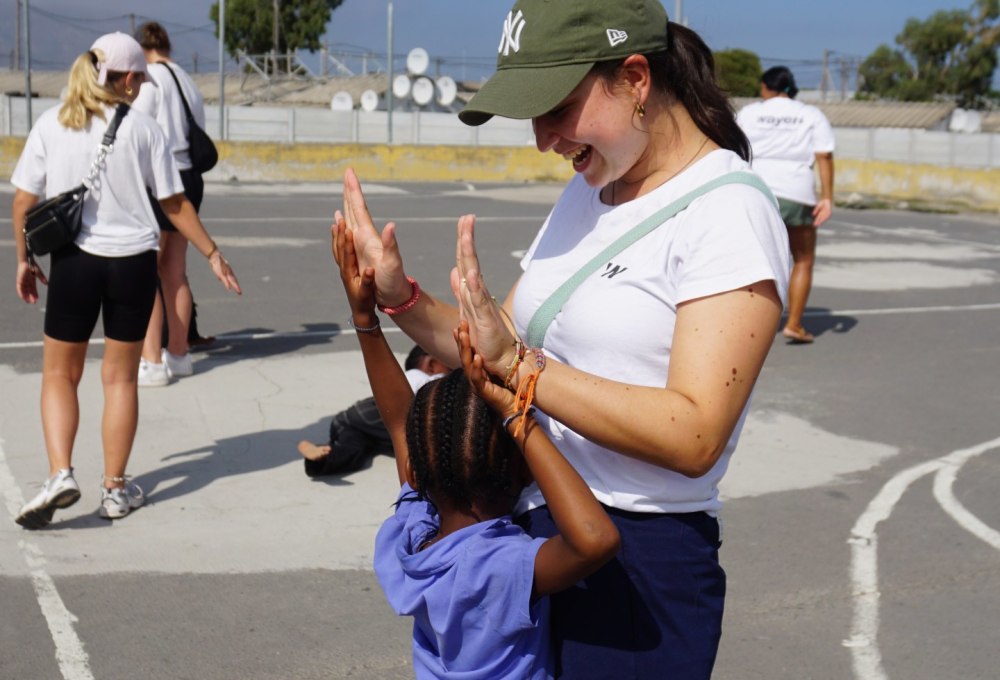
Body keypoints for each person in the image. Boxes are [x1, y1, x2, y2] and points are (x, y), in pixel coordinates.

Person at [341, 1, 790, 677]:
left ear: (636, 78)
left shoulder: (728, 212)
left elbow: (695, 435)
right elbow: (500, 343)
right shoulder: (593, 188)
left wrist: (521, 369)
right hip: (535, 524)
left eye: (557, 105)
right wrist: (398, 296)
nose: (543, 137)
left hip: (637, 569)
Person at [331, 216, 619, 680]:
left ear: (422, 470)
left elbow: (402, 425)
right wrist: (518, 418)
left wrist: (366, 321)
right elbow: (596, 540)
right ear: (520, 471)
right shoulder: (496, 568)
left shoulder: (414, 534)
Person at [11, 32, 240, 529]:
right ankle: (115, 489)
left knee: (59, 376)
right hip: (134, 263)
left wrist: (24, 261)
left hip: (74, 262)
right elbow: (175, 205)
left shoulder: (53, 124)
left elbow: (24, 202)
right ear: (131, 78)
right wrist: (213, 253)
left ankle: (59, 474)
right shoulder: (144, 130)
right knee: (119, 379)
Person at [132, 21, 213, 385]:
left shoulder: (149, 78)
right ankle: (179, 355)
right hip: (191, 180)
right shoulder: (186, 79)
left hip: (162, 183)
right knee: (175, 270)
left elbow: (138, 127)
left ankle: (151, 361)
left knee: (147, 271)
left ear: (141, 49)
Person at [737, 65, 836, 343]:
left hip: (756, 190)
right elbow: (824, 156)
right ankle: (793, 323)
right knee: (803, 259)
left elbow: (733, 147)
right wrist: (827, 197)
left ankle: (746, 324)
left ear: (766, 87)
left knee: (750, 260)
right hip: (796, 191)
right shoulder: (810, 114)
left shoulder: (750, 112)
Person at [296, 345, 448, 477]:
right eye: (450, 367)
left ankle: (316, 456)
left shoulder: (420, 380)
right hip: (370, 415)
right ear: (431, 365)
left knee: (351, 454)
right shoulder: (418, 377)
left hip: (366, 429)